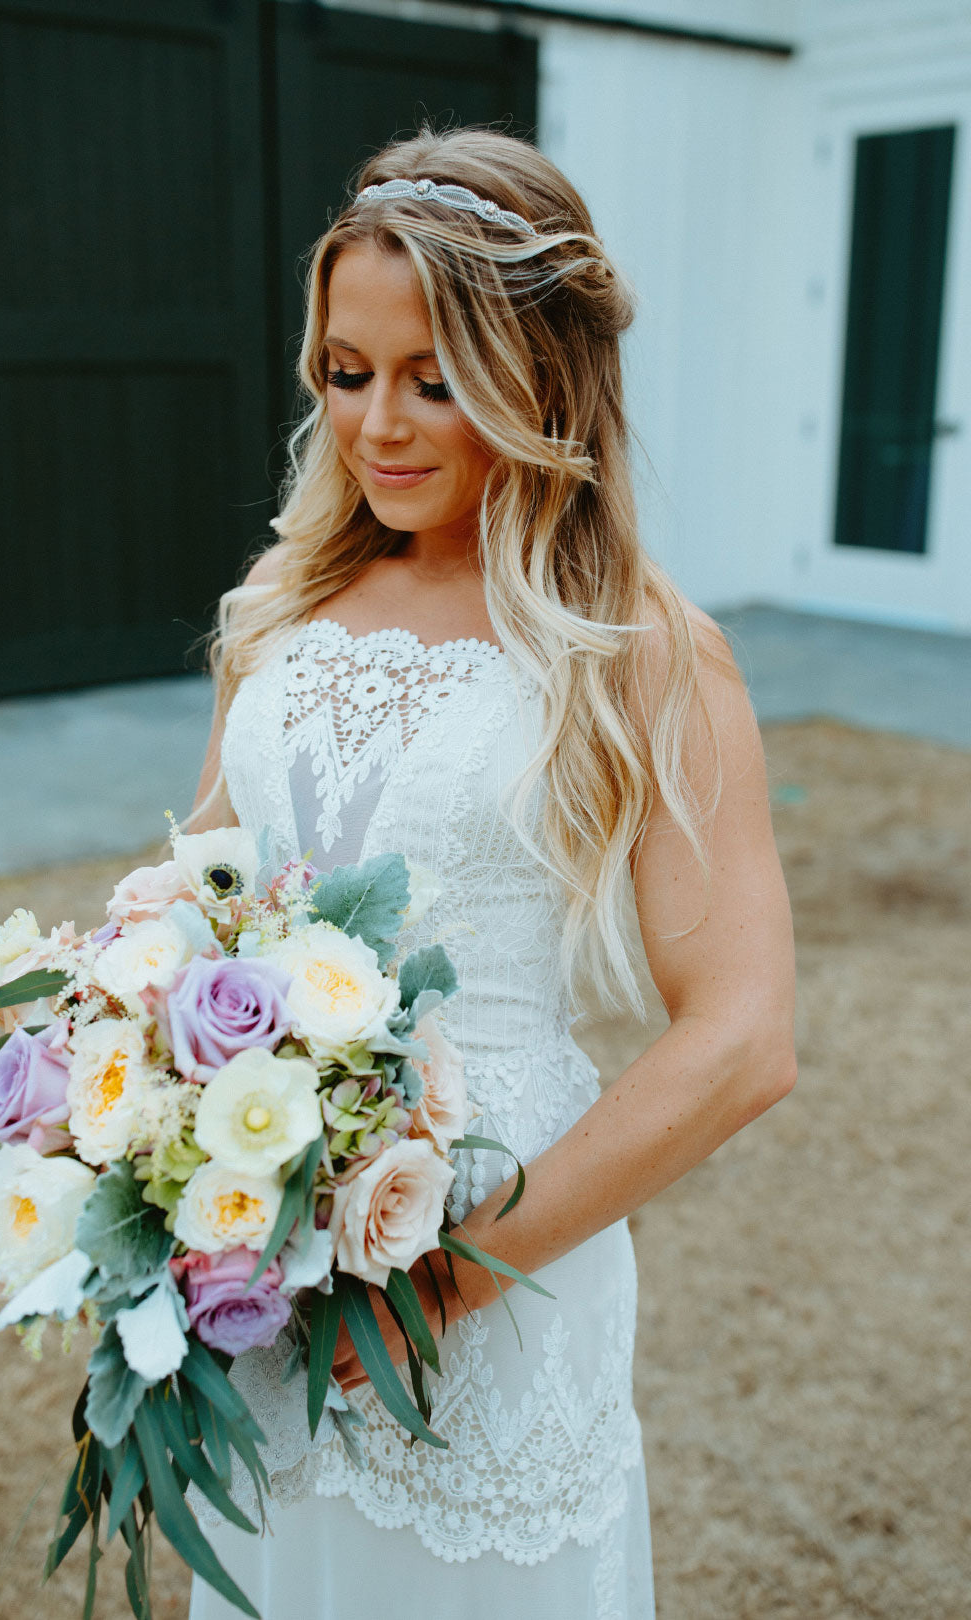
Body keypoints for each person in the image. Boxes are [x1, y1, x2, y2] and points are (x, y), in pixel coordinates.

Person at [185, 127, 796, 1620]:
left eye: (436, 379)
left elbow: (742, 1040)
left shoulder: (638, 648)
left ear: (542, 377)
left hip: (495, 1247)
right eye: (346, 371)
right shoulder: (279, 603)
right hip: (263, 1239)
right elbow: (199, 892)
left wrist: (444, 1278)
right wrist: (133, 1129)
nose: (376, 424)